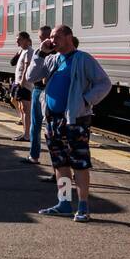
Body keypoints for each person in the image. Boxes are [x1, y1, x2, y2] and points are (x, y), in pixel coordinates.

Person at [25, 24, 112, 222]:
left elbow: (104, 83)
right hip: (53, 120)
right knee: (60, 163)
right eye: (51, 37)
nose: (52, 40)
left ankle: (83, 206)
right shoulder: (53, 59)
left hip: (75, 120)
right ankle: (64, 203)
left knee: (79, 164)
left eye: (56, 37)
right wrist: (40, 53)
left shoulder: (83, 59)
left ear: (68, 37)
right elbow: (31, 77)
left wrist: (86, 99)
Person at [25, 25, 51, 165]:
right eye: (41, 38)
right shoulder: (38, 52)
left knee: (50, 129)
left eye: (46, 37)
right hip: (37, 90)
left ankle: (57, 164)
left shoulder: (57, 53)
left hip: (50, 92)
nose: (43, 40)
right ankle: (33, 155)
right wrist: (41, 53)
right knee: (35, 125)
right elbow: (31, 75)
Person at [11, 31, 34, 138]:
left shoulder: (29, 52)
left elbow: (26, 68)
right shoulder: (23, 51)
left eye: (19, 39)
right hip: (20, 83)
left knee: (26, 109)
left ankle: (27, 135)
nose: (17, 41)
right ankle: (25, 132)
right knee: (22, 107)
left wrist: (22, 82)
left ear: (25, 40)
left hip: (24, 84)